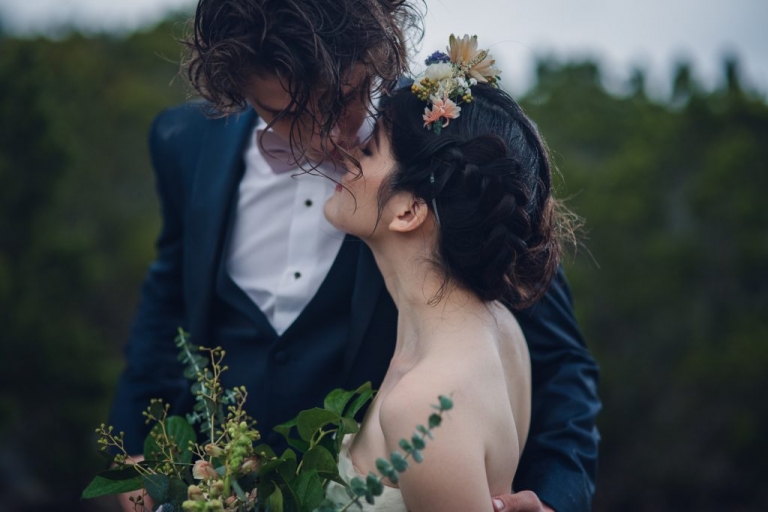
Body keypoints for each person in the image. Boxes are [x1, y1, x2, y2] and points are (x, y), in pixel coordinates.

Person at [108, 1, 600, 511]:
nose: (330, 138)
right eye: (289, 114)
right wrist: (136, 452)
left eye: (341, 98)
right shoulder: (183, 144)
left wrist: (551, 502)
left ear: (374, 52)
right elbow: (170, 301)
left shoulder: (444, 153)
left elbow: (559, 364)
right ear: (240, 89)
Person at [322, 37, 568, 511]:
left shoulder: (425, 404)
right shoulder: (500, 326)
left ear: (410, 209)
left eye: (369, 149)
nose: (344, 151)